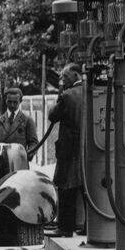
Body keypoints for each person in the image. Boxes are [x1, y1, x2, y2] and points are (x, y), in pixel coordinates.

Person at [47, 64, 84, 237]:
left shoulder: (67, 95)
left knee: (65, 187)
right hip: (89, 148)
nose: (63, 79)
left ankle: (65, 227)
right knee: (86, 188)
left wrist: (60, 92)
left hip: (69, 148)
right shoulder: (91, 91)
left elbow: (52, 116)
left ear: (76, 75)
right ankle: (87, 227)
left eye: (65, 76)